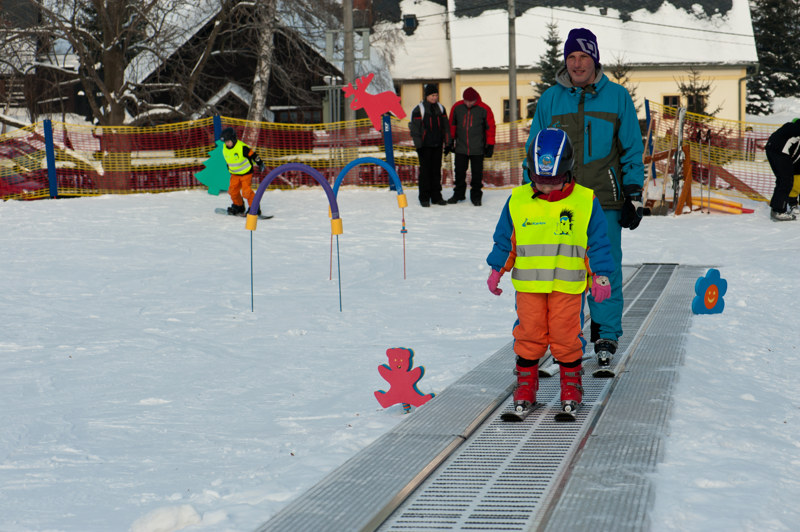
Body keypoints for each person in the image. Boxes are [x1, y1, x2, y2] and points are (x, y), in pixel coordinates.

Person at [524, 27, 644, 369]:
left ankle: (606, 332)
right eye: (571, 57)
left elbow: (632, 148)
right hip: (561, 201)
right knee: (564, 271)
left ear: (595, 59)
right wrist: (529, 192)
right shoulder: (551, 99)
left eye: (583, 57)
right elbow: (535, 148)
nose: (577, 64)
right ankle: (567, 334)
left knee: (605, 268)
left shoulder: (617, 97)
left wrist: (633, 193)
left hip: (605, 199)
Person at [486, 128, 614, 415]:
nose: (545, 187)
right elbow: (506, 240)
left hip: (566, 289)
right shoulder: (518, 200)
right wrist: (497, 269)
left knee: (566, 337)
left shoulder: (585, 201)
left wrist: (600, 275)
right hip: (529, 289)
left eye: (553, 181)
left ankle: (571, 387)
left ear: (568, 171)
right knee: (528, 336)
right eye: (540, 180)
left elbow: (597, 243)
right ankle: (525, 387)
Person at [447, 87, 496, 206]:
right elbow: (452, 125)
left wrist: (490, 145)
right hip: (461, 147)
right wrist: (450, 141)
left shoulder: (484, 109)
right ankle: (458, 194)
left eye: (471, 101)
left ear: (476, 99)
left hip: (478, 148)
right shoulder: (457, 107)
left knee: (477, 175)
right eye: (466, 101)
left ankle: (476, 196)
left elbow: (490, 128)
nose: (468, 104)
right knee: (459, 172)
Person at [409, 84, 450, 207]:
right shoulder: (419, 109)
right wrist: (418, 146)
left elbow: (446, 127)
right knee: (425, 172)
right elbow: (415, 130)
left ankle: (436, 196)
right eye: (432, 95)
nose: (434, 97)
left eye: (436, 95)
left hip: (437, 144)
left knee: (436, 172)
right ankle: (424, 197)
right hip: (424, 146)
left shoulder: (441, 109)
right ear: (427, 96)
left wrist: (448, 143)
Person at [220, 127, 265, 215]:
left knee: (246, 192)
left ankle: (254, 208)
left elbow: (253, 155)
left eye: (228, 141)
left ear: (233, 139)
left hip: (246, 173)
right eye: (225, 142)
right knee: (232, 191)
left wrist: (260, 163)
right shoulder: (225, 149)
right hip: (234, 174)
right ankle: (238, 206)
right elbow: (229, 160)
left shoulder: (242, 147)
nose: (227, 144)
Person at [764, 119, 800, 221]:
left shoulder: (790, 126)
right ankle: (779, 211)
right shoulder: (795, 128)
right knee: (786, 181)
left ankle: (776, 208)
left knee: (781, 180)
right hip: (780, 153)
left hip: (771, 149)